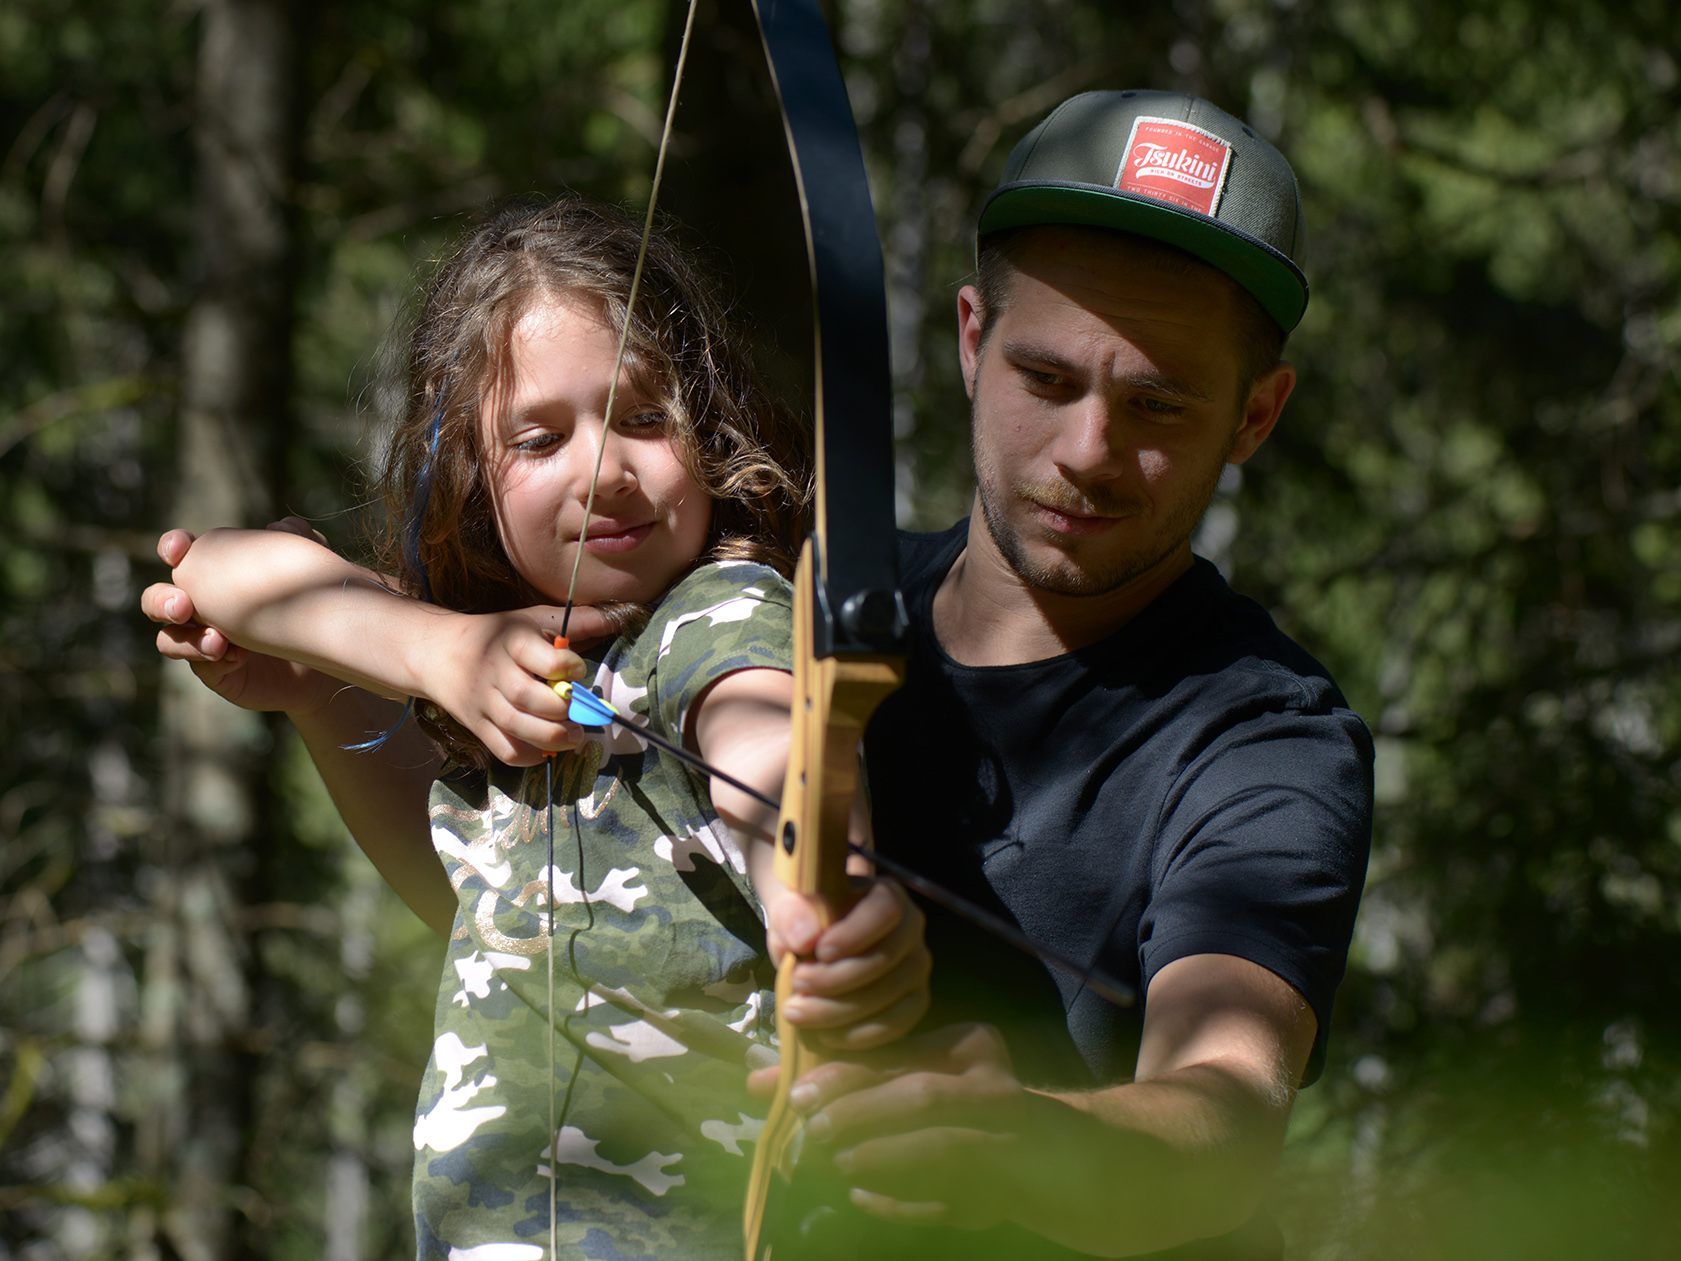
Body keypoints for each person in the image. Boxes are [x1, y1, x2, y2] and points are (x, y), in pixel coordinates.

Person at [145, 194, 928, 1260]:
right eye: (539, 437)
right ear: (467, 472)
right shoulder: (501, 661)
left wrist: (817, 889)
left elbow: (770, 742)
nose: (604, 467)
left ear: (713, 428)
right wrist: (400, 663)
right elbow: (213, 571)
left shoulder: (722, 610)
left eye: (645, 418)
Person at [762, 91, 1374, 1259]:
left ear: (1256, 415)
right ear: (968, 337)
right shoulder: (803, 606)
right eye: (1046, 379)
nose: (1089, 452)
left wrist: (1023, 1141)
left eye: (1156, 404)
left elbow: (1226, 1112)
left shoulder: (1268, 739)